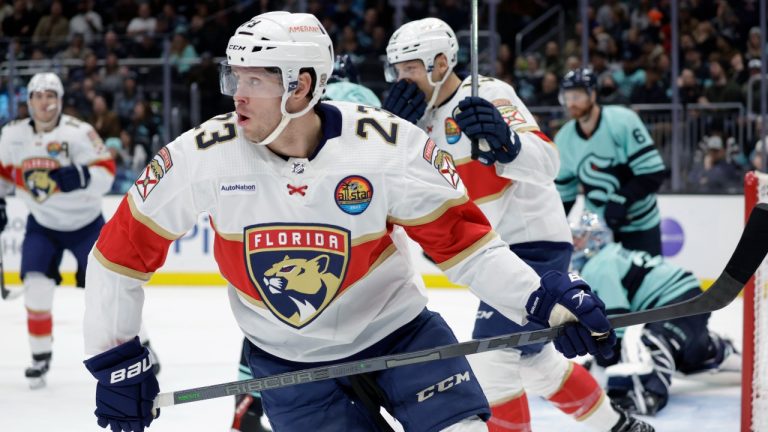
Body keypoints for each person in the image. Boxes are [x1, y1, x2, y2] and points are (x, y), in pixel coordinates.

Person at [82, 12, 616, 432]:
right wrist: (117, 359)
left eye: (255, 80)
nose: (236, 94)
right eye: (234, 76)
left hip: (400, 338)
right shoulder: (203, 155)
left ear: (301, 85)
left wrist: (541, 301)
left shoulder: (388, 145)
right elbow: (117, 257)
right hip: (289, 362)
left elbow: (467, 247)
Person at [382, 17, 650, 432]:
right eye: (396, 70)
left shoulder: (488, 93)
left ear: (439, 63)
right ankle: (619, 427)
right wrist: (391, 134)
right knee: (534, 363)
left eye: (409, 68)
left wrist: (507, 144)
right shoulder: (415, 126)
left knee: (492, 357)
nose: (402, 79)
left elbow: (548, 164)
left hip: (532, 245)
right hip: (490, 255)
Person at [231, 53, 381, 432]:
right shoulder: (363, 99)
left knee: (271, 320)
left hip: (287, 210)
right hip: (351, 222)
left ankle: (248, 399)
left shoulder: (290, 105)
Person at [0, 72, 115, 388]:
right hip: (43, 225)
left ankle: (137, 345)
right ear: (29, 100)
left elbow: (107, 171)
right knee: (35, 288)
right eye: (38, 96)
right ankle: (40, 356)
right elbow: (4, 175)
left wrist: (82, 176)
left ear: (60, 100)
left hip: (86, 225)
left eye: (51, 95)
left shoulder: (80, 132)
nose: (44, 102)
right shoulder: (11, 136)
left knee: (109, 292)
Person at [570, 212, 740, 415]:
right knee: (686, 353)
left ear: (595, 239)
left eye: (579, 237)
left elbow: (616, 320)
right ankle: (715, 350)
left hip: (677, 298)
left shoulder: (599, 266)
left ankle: (651, 394)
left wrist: (607, 359)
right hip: (684, 293)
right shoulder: (607, 256)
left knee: (655, 340)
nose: (574, 243)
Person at [555, 68, 666, 256]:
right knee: (595, 281)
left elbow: (653, 173)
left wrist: (621, 199)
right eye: (567, 97)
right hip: (596, 225)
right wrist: (554, 228)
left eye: (577, 96)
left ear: (593, 94)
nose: (571, 103)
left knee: (646, 282)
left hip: (639, 221)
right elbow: (564, 194)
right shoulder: (564, 138)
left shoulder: (622, 121)